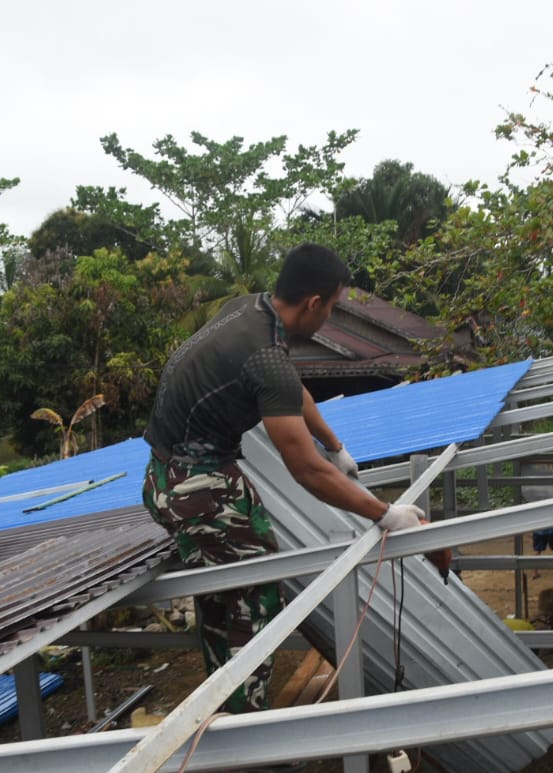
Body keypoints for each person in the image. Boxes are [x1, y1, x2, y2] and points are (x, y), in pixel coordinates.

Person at [141, 243, 423, 713]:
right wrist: (385, 513)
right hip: (194, 487)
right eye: (332, 307)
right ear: (314, 302)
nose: (329, 317)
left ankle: (226, 705)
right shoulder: (263, 355)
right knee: (255, 594)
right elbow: (304, 470)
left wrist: (334, 445)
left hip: (178, 473)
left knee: (230, 591)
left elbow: (291, 387)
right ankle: (249, 727)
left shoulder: (249, 310)